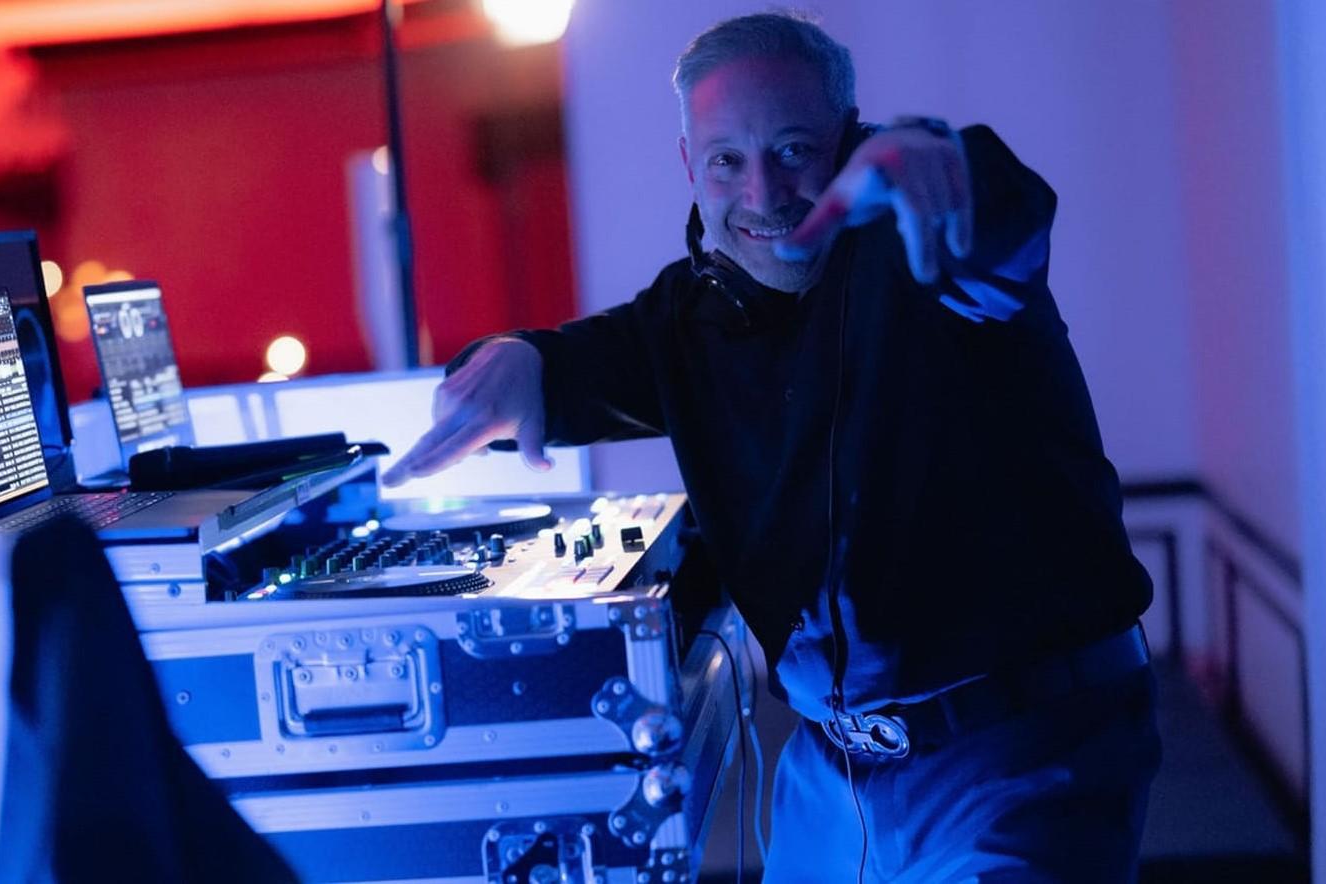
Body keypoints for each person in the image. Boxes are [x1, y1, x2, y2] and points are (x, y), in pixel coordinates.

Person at [382, 12, 1158, 883]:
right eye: (727, 160)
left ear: (848, 137)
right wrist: (513, 361)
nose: (762, 193)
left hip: (1016, 758)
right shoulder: (686, 318)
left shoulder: (927, 253)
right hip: (827, 773)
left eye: (793, 150)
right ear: (690, 166)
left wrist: (943, 162)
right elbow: (564, 369)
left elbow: (998, 221)